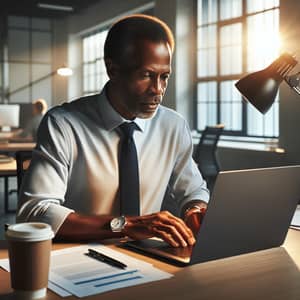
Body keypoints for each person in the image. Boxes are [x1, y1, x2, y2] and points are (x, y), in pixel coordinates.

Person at [17, 14, 209, 248]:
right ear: (112, 70)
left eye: (164, 77)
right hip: (80, 257)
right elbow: (35, 211)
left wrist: (195, 210)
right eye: (146, 75)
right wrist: (125, 225)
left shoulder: (173, 125)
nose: (157, 90)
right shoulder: (63, 124)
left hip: (149, 259)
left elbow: (193, 191)